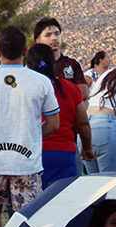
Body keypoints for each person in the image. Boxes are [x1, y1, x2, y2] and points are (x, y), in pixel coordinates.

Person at [0, 27, 60, 227]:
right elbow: (53, 123)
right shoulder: (41, 81)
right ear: (26, 51)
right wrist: (30, 135)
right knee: (28, 214)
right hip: (26, 162)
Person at [27, 44, 93, 188]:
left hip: (31, 152)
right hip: (63, 153)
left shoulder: (24, 90)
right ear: (53, 64)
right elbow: (83, 123)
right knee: (65, 198)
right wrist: (87, 147)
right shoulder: (70, 88)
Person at [33, 18, 90, 100]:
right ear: (38, 41)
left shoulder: (72, 63)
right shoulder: (33, 65)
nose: (54, 38)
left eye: (57, 34)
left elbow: (84, 92)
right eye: (48, 35)